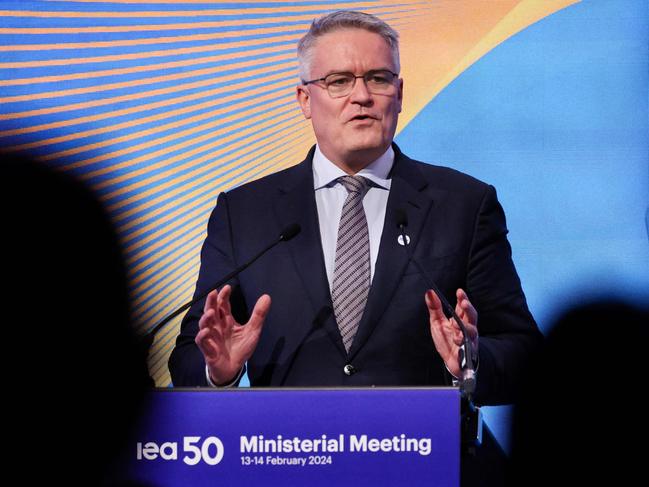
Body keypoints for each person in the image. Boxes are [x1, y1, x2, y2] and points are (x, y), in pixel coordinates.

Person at [169, 10, 542, 407]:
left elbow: (524, 353)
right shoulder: (244, 213)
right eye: (339, 81)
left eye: (378, 79)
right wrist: (219, 372)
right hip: (286, 457)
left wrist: (468, 363)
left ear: (398, 95)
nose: (361, 96)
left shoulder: (464, 205)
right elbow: (190, 355)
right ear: (305, 100)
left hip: (421, 456)